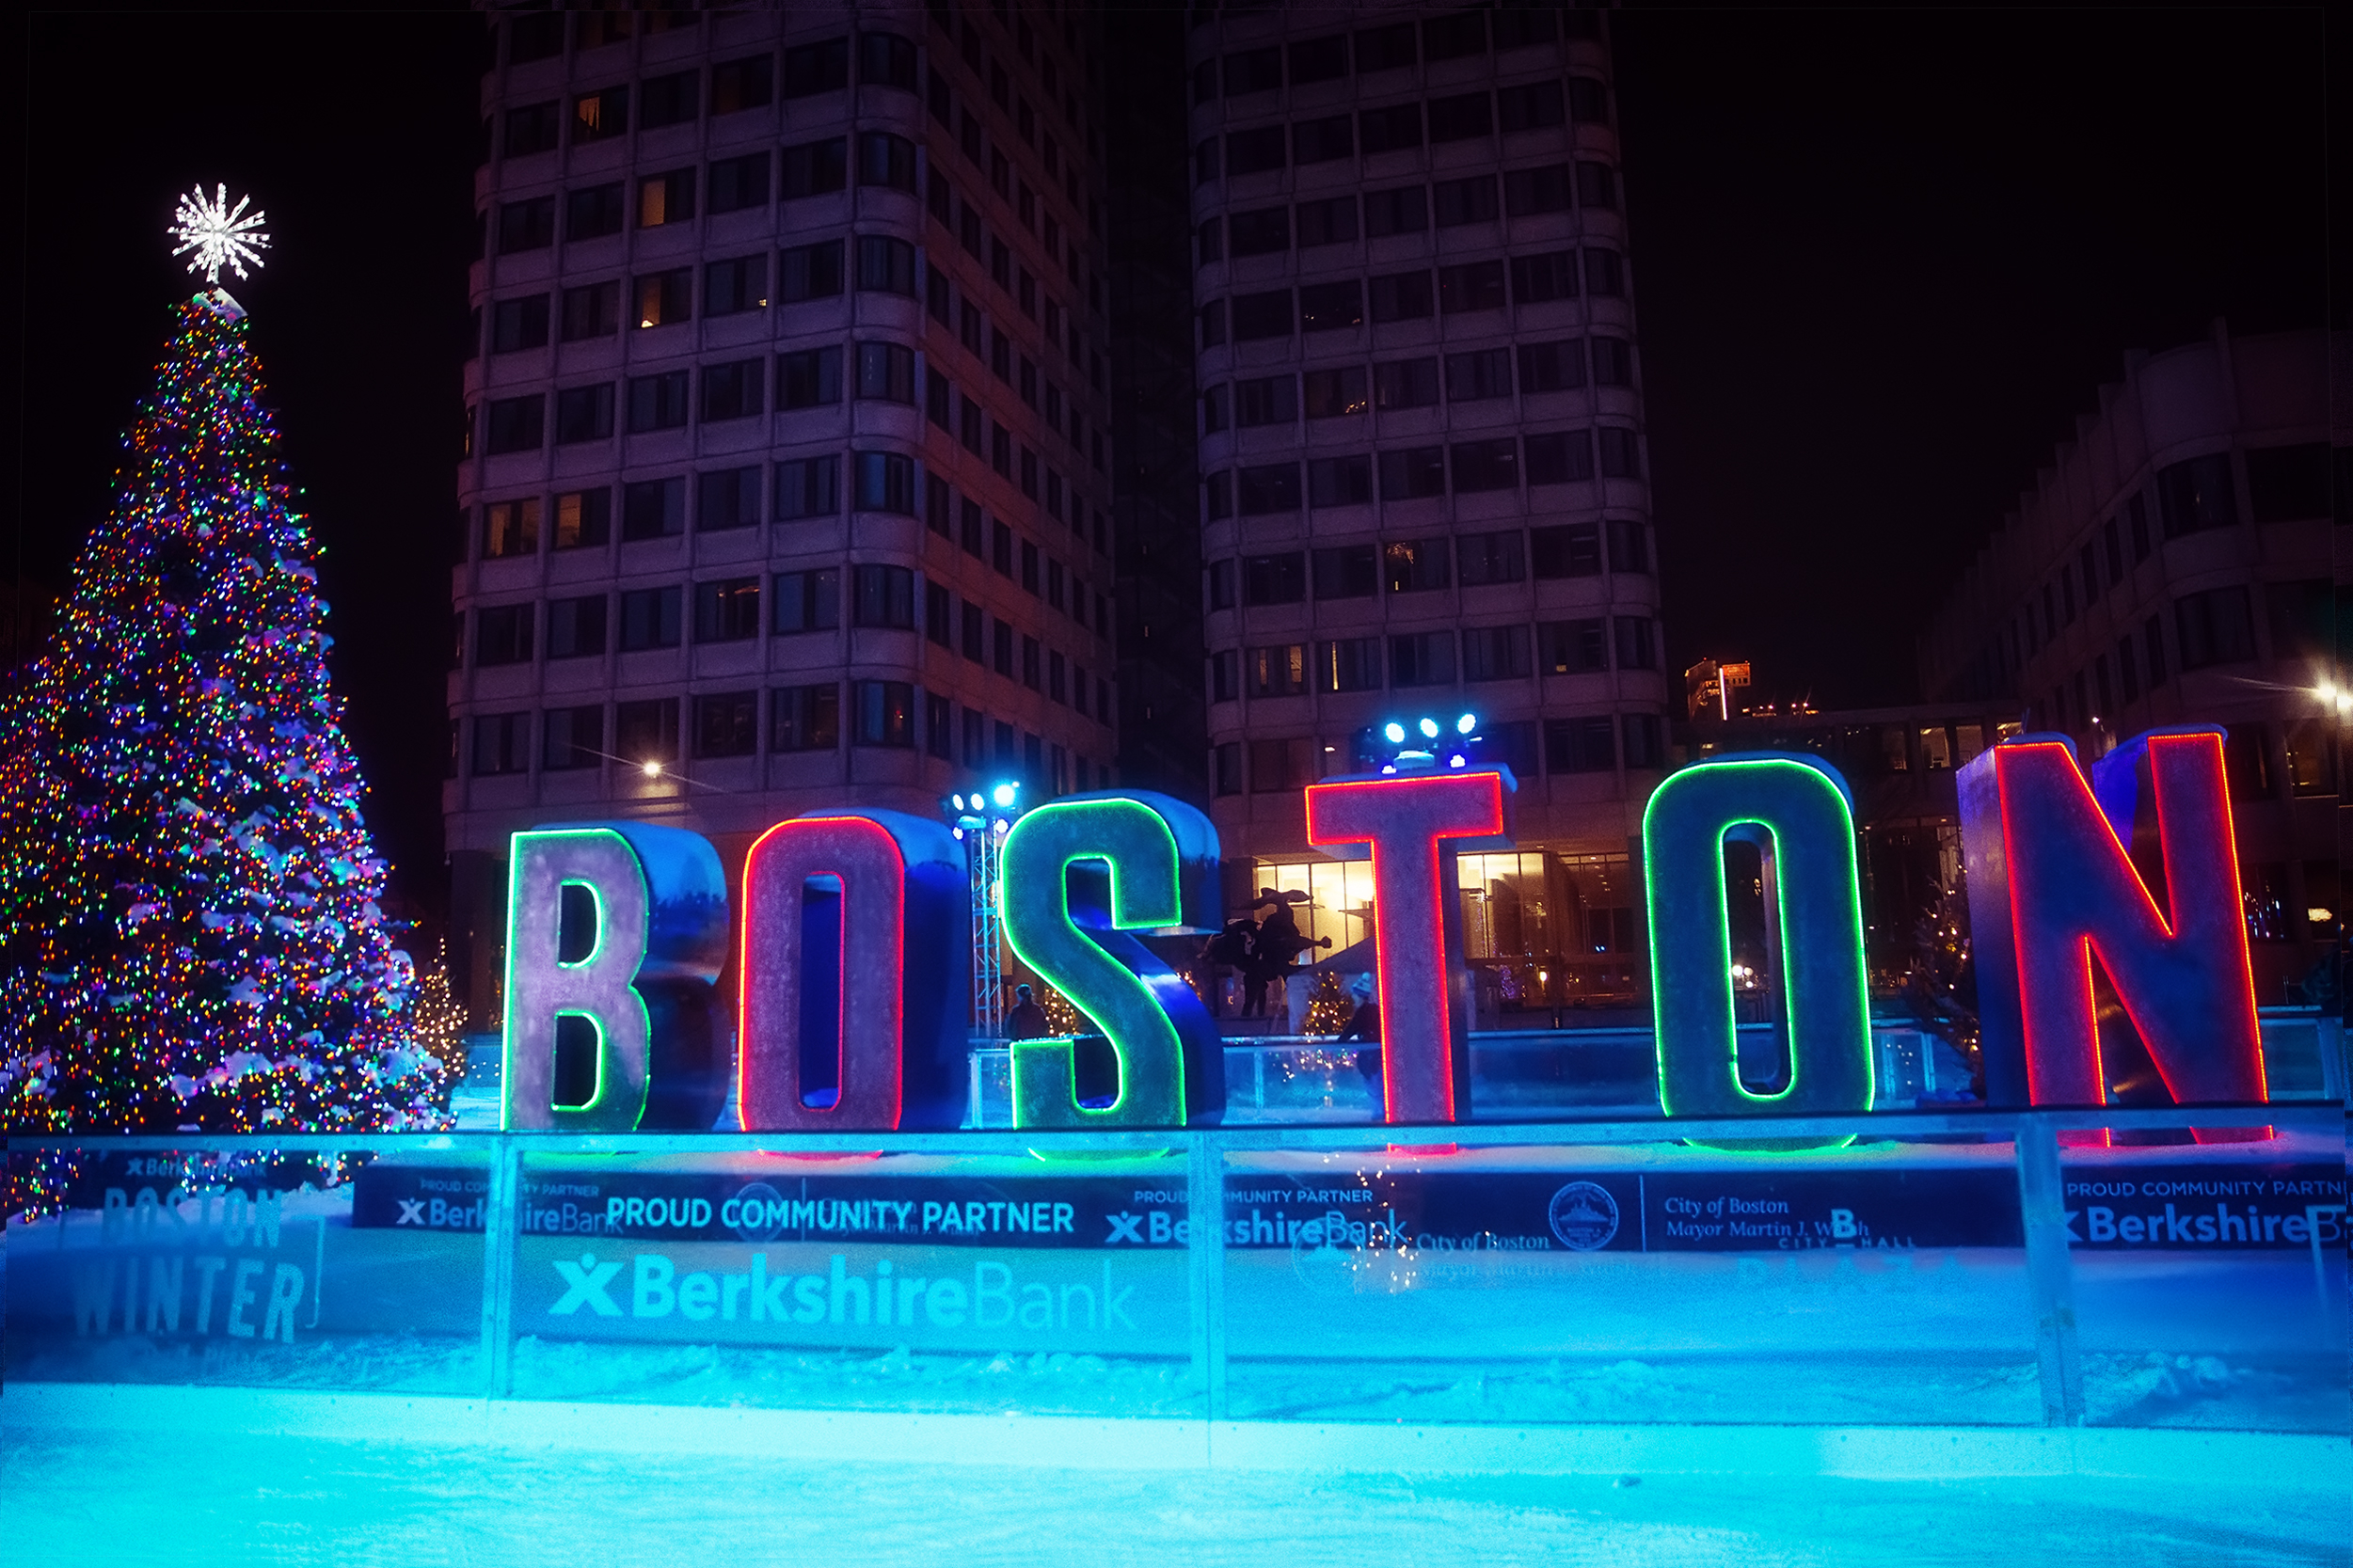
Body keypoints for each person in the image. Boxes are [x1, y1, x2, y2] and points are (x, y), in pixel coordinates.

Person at [1333, 972, 1383, 1116]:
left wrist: (1339, 1043)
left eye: (1355, 995)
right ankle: (1379, 1112)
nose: (1353, 998)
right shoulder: (1373, 1011)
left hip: (1371, 1057)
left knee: (1374, 1088)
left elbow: (1350, 1030)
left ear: (1360, 996)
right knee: (1377, 1087)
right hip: (1374, 1057)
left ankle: (1379, 1114)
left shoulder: (1363, 1012)